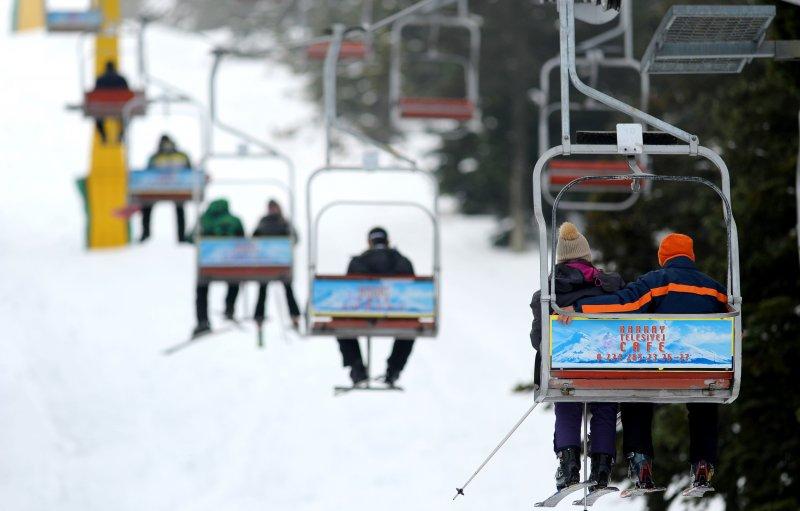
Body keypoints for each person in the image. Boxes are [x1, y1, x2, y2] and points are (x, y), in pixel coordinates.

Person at [569, 233, 727, 491]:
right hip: (701, 369)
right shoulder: (713, 288)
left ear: (663, 258)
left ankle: (641, 461)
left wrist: (580, 308)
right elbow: (730, 317)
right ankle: (703, 464)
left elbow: (624, 304)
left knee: (637, 395)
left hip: (659, 369)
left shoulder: (656, 282)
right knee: (704, 404)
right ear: (691, 256)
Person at [530, 222, 625, 492]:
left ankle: (569, 464)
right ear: (586, 255)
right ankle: (602, 467)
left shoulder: (548, 293)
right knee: (605, 406)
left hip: (566, 366)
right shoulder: (612, 286)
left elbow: (539, 340)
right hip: (606, 364)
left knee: (566, 405)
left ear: (560, 258)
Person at [337, 227, 416, 387]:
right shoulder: (403, 261)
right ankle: (394, 369)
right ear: (388, 241)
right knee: (411, 325)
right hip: (397, 315)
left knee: (339, 321)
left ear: (369, 242)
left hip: (363, 315)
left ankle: (356, 366)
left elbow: (347, 292)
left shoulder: (357, 262)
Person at [192, 199, 244, 337]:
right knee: (234, 281)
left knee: (202, 289)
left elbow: (191, 237)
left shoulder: (204, 219)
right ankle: (229, 309)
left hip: (208, 261)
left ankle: (202, 320)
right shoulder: (234, 220)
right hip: (230, 261)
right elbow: (242, 238)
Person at [252, 199, 301, 329]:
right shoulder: (266, 222)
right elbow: (254, 239)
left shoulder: (283, 222)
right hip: (267, 262)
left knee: (287, 289)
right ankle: (259, 317)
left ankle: (295, 316)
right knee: (263, 289)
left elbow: (295, 238)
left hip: (279, 261)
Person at [140, 134, 192, 243]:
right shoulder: (155, 157)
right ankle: (145, 234)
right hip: (156, 190)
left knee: (179, 207)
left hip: (179, 190)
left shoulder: (181, 156)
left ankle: (181, 236)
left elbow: (190, 171)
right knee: (146, 205)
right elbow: (147, 174)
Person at [93, 60, 130, 144]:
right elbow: (128, 94)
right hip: (120, 109)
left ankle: (103, 136)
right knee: (125, 118)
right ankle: (120, 135)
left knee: (97, 118)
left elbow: (95, 94)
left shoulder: (100, 80)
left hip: (102, 109)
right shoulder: (122, 79)